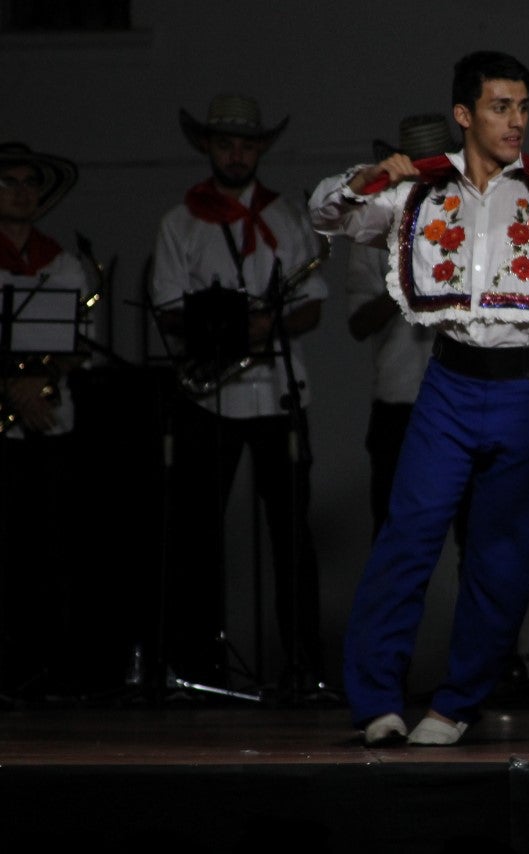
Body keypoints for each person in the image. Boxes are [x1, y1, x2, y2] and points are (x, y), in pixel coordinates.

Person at [309, 50, 529, 746]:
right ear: (464, 115)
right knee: (407, 540)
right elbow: (325, 214)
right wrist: (368, 178)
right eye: (501, 106)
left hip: (527, 386)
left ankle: (455, 704)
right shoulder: (418, 190)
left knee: (501, 554)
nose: (516, 121)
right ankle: (377, 700)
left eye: (524, 107)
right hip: (445, 384)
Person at [149, 94, 331, 695]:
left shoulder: (288, 217)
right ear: (207, 146)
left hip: (279, 392)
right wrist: (233, 331)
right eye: (225, 142)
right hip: (211, 397)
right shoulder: (181, 222)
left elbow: (312, 305)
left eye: (246, 143)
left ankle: (305, 668)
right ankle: (200, 668)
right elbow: (169, 311)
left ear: (260, 149)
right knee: (200, 537)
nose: (236, 153)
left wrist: (265, 328)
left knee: (292, 540)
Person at [0, 142, 99, 699]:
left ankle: (51, 671)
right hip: (7, 422)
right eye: (9, 182)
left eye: (30, 182)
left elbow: (79, 343)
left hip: (49, 419)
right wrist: (11, 387)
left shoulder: (62, 261)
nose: (22, 192)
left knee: (52, 545)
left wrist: (35, 385)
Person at [345, 113, 455, 540]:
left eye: (440, 170)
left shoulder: (476, 223)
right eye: (420, 171)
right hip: (400, 402)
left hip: (465, 397)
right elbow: (357, 323)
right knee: (392, 533)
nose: (431, 180)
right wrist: (405, 281)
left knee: (476, 537)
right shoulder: (377, 225)